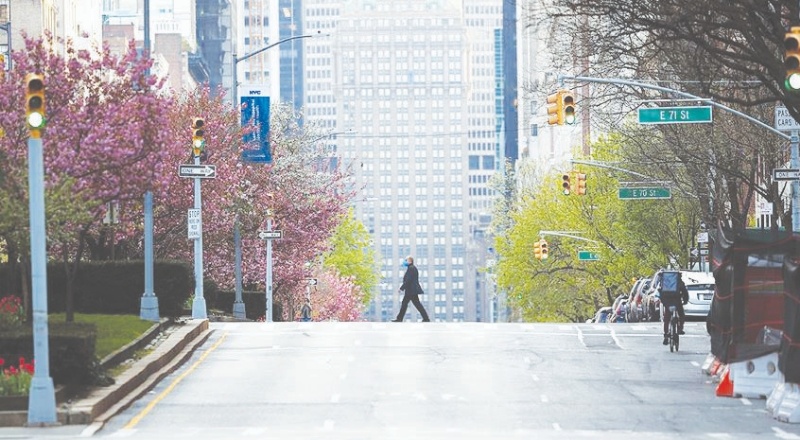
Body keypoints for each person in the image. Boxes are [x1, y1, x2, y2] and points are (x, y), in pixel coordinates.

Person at [392, 256, 430, 322]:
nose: (405, 261)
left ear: (410, 261)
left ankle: (399, 319)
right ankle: (426, 318)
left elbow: (408, 280)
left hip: (411, 290)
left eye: (406, 260)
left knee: (406, 304)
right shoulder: (411, 268)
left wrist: (401, 288)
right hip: (411, 290)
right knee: (416, 304)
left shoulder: (411, 268)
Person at [658, 270, 689, 345]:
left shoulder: (664, 281)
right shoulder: (679, 281)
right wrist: (685, 300)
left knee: (667, 318)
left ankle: (666, 334)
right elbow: (684, 291)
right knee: (681, 314)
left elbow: (660, 291)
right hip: (677, 300)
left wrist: (663, 301)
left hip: (667, 301)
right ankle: (680, 329)